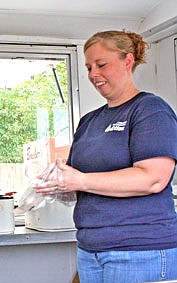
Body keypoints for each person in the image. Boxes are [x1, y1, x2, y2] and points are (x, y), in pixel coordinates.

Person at [35, 30, 177, 283]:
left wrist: (79, 181)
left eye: (101, 65)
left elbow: (153, 179)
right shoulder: (89, 121)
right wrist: (58, 185)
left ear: (128, 61)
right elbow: (85, 181)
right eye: (89, 67)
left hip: (140, 250)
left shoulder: (150, 110)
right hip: (90, 249)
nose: (93, 75)